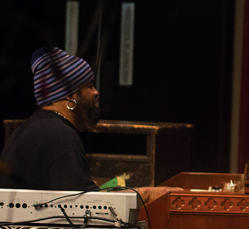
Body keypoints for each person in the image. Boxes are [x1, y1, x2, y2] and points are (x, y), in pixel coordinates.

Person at [0, 46, 179, 204]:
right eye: (90, 86)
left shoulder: (39, 126)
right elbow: (85, 207)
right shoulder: (58, 134)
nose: (96, 92)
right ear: (70, 95)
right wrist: (148, 194)